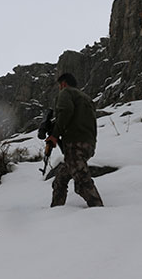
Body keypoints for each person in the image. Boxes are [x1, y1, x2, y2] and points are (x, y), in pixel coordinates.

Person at [45, 73, 104, 207]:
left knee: (82, 182)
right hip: (88, 144)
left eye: (60, 86)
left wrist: (54, 135)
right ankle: (56, 211)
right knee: (60, 180)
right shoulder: (86, 98)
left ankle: (99, 211)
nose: (60, 88)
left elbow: (66, 111)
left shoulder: (66, 92)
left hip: (74, 144)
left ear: (64, 84)